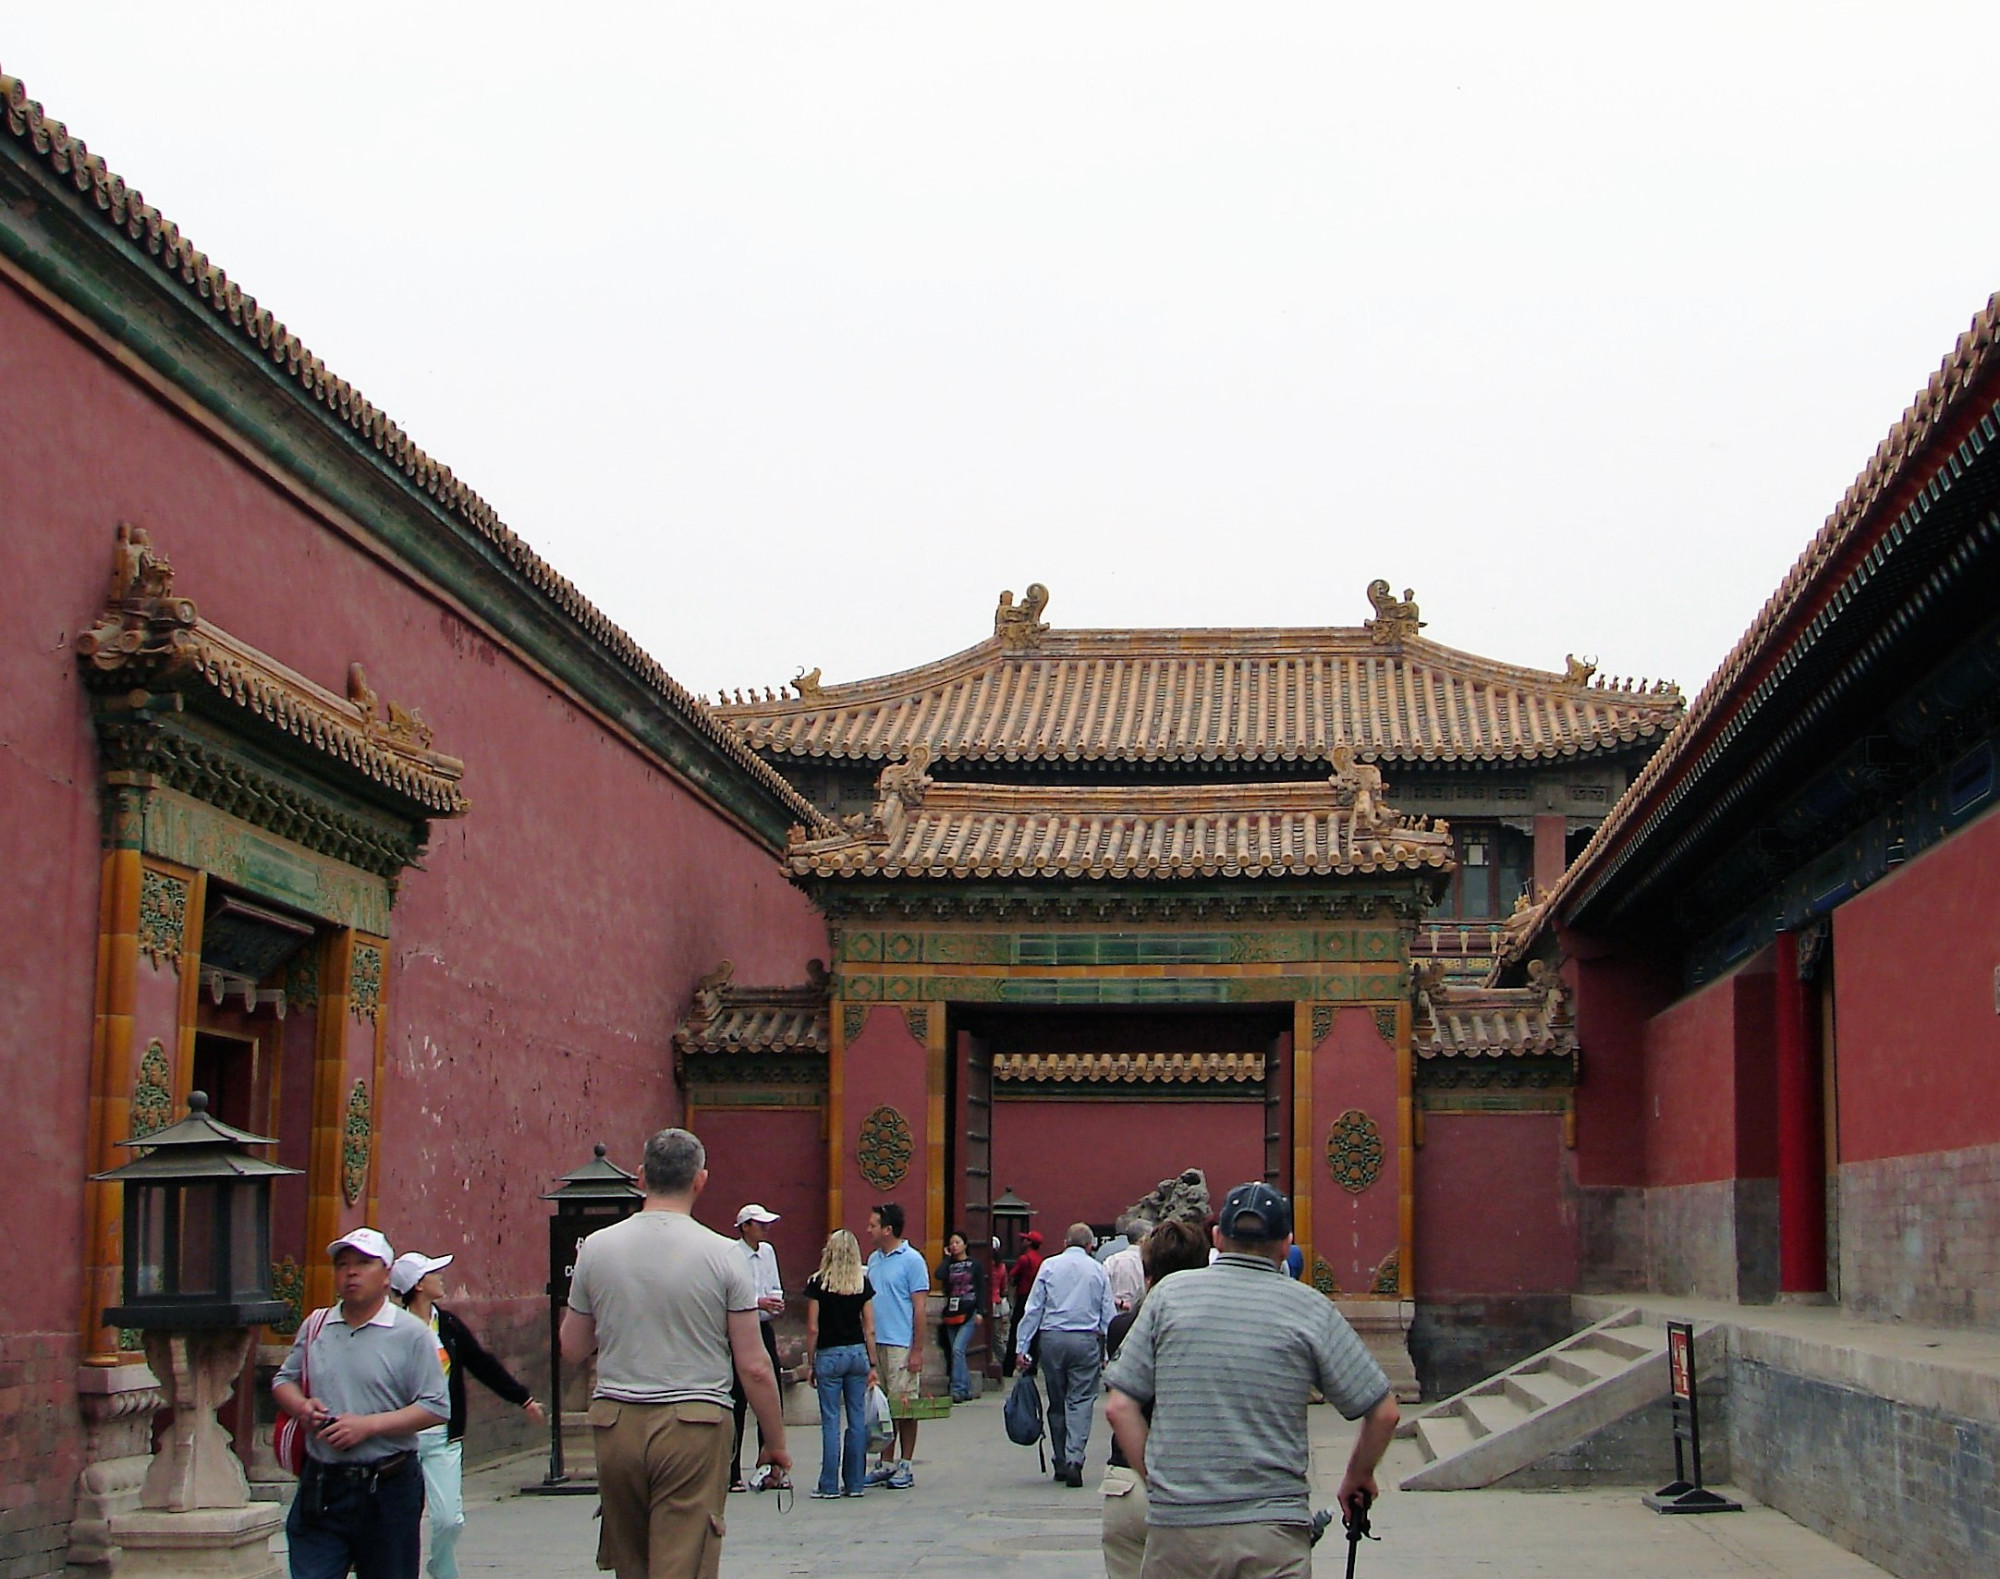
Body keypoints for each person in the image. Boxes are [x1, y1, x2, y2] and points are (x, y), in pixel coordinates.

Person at [1103, 1182, 1399, 1579]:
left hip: (1181, 1531)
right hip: (1273, 1531)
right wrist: (1357, 1477)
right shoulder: (1308, 1306)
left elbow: (1120, 1405)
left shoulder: (1169, 1295)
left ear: (1218, 1237)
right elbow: (1383, 1413)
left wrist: (1158, 1482)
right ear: (1286, 1244)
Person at [560, 1129, 789, 1579]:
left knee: (631, 1560)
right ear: (700, 1180)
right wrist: (775, 1442)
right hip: (694, 1422)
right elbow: (755, 1366)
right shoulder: (725, 1256)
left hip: (617, 1420)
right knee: (683, 1559)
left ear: (641, 1177)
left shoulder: (597, 1248)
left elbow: (572, 1346)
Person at [273, 1228, 449, 1579]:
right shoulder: (317, 1325)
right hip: (323, 1484)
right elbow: (283, 1380)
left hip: (387, 1485)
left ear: (386, 1275)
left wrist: (367, 1426)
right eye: (342, 1265)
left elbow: (436, 1407)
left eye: (363, 1263)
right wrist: (302, 1408)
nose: (351, 1272)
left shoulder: (411, 1334)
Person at [389, 1251, 546, 1579]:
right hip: (400, 1441)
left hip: (444, 1437)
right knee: (400, 1519)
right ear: (418, 1285)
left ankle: (442, 1567)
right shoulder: (391, 1327)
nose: (441, 1277)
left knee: (449, 1519)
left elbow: (480, 1362)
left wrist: (522, 1398)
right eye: (433, 1273)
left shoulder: (446, 1324)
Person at [1100, 1218, 1210, 1579]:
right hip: (1193, 1485)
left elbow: (1118, 1404)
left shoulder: (1122, 1328)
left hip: (1126, 1483)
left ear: (1147, 1273)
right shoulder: (1213, 1331)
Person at [1014, 1223, 1115, 1488]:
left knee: (1057, 1401)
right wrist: (1110, 1351)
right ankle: (1075, 1458)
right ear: (1090, 1245)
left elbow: (1033, 1307)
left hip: (1052, 1338)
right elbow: (1108, 1313)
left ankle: (1059, 1458)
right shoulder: (1098, 1269)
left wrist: (1022, 1347)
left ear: (1064, 1242)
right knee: (1081, 1399)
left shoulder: (1049, 1266)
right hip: (1085, 1339)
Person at [800, 1229, 879, 1498]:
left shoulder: (818, 1283)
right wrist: (873, 1363)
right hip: (857, 1353)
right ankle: (855, 1482)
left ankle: (829, 1484)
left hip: (829, 1354)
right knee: (857, 1419)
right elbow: (869, 1327)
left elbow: (812, 1328)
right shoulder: (861, 1282)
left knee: (830, 1419)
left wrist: (810, 1363)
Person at [862, 1202, 929, 1489]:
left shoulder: (913, 1260)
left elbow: (920, 1308)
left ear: (888, 1229)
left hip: (901, 1343)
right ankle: (885, 1462)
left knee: (905, 1407)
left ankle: (906, 1463)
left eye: (874, 1225)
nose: (869, 1230)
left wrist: (917, 1350)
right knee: (882, 1408)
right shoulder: (874, 1260)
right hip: (878, 1341)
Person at [728, 1204, 786, 1493]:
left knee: (770, 1397)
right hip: (740, 1328)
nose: (765, 1229)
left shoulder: (768, 1252)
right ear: (745, 1226)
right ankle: (732, 1471)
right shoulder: (732, 1254)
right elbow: (732, 1296)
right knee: (737, 1400)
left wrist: (774, 1302)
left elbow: (774, 1286)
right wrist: (759, 1301)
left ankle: (770, 1467)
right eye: (760, 1224)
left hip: (763, 1327)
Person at [934, 1230, 989, 1404]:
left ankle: (957, 1388)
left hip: (969, 1310)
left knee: (958, 1349)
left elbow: (981, 1288)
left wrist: (981, 1311)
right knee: (957, 1352)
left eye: (957, 1242)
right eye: (952, 1243)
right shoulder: (949, 1265)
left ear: (965, 1245)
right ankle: (966, 1388)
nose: (954, 1245)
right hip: (952, 1312)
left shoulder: (975, 1265)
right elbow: (939, 1274)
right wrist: (947, 1258)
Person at [1002, 1230, 1045, 1373]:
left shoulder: (1024, 1259)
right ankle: (1031, 1365)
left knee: (1016, 1330)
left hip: (1023, 1296)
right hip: (1036, 1297)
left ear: (1029, 1243)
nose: (1022, 1242)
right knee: (1034, 1331)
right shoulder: (1040, 1260)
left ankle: (1009, 1365)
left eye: (1025, 1240)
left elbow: (1013, 1274)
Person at [1103, 1217, 1147, 1313]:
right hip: (1143, 1315)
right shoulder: (1151, 1261)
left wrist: (1120, 1303)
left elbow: (1101, 1289)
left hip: (1116, 1315)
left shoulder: (1112, 1260)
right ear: (1143, 1239)